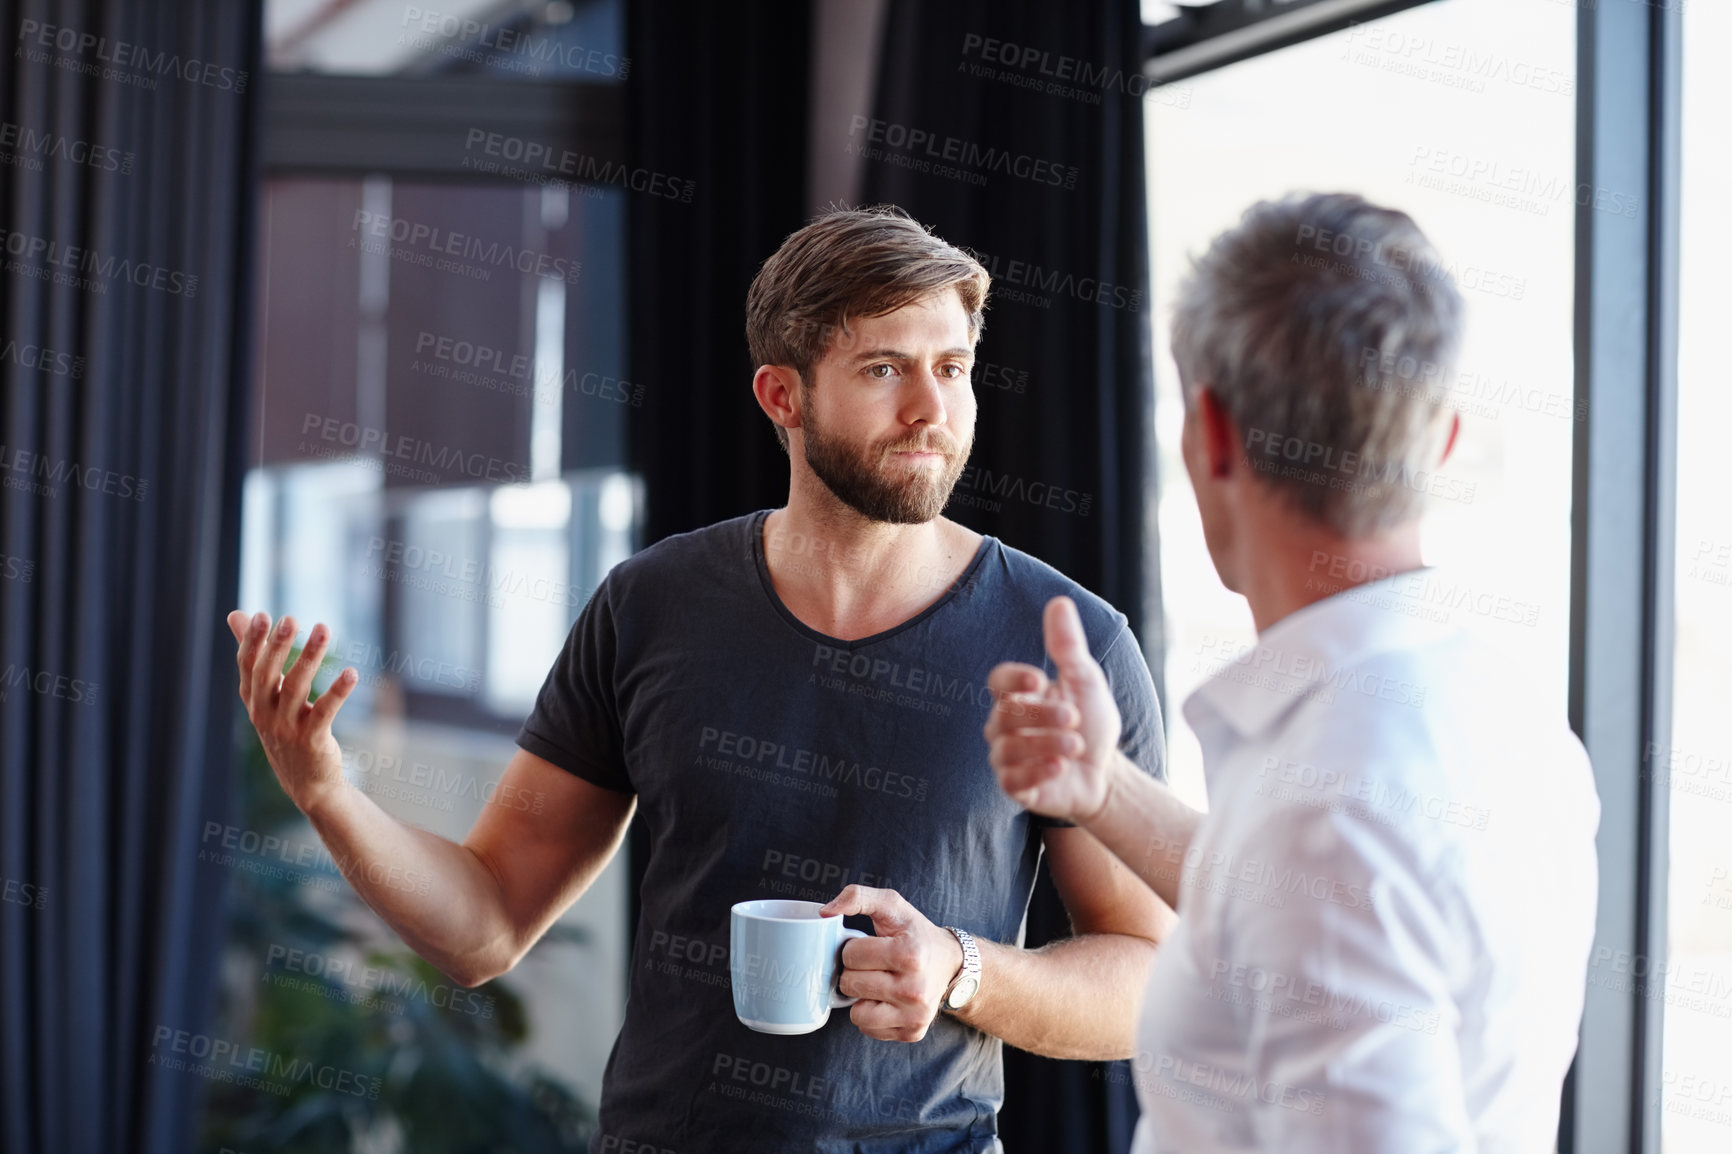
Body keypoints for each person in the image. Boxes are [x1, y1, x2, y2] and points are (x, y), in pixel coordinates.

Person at [227, 205, 1173, 1153]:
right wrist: (326, 793)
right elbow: (485, 924)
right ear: (782, 397)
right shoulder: (651, 606)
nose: (931, 408)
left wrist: (963, 970)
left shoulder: (1070, 643)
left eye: (953, 368)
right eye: (885, 369)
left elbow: (1149, 978)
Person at [985, 192, 1601, 1152]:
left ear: (1212, 434)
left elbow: (1319, 875)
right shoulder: (1506, 715)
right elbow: (1278, 904)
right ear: (1438, 440)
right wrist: (1104, 789)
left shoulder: (1333, 819)